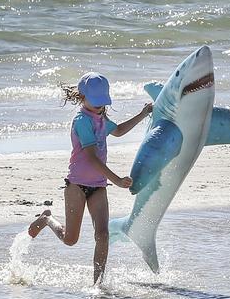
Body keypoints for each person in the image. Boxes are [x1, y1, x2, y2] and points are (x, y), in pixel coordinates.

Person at [28, 72, 152, 284]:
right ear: (83, 97)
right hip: (76, 186)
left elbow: (119, 130)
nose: (99, 107)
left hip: (98, 187)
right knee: (70, 239)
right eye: (96, 103)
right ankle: (47, 218)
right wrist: (117, 180)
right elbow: (92, 158)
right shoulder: (82, 121)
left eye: (102, 103)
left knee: (102, 235)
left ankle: (98, 284)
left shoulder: (101, 117)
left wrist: (143, 113)